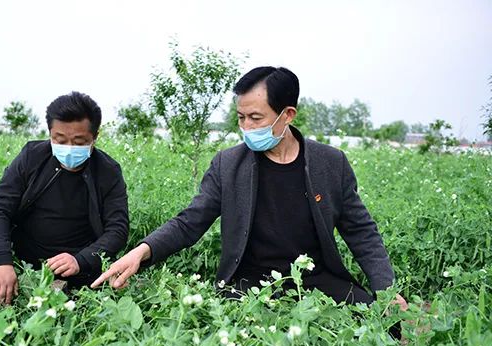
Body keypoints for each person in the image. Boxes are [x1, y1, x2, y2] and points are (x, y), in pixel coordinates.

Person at [91, 66, 407, 311]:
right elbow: (190, 221)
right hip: (248, 284)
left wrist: (387, 290)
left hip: (316, 280)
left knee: (385, 324)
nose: (246, 127)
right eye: (241, 118)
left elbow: (361, 232)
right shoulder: (228, 165)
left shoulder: (330, 163)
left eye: (256, 118)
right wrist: (141, 252)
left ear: (287, 115)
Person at [0, 91, 129, 305]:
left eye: (79, 141)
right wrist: (3, 261)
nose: (69, 148)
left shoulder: (108, 171)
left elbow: (117, 229)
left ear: (95, 137)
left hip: (78, 259)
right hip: (24, 251)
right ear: (50, 133)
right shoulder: (32, 156)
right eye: (60, 140)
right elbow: (0, 208)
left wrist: (81, 260)